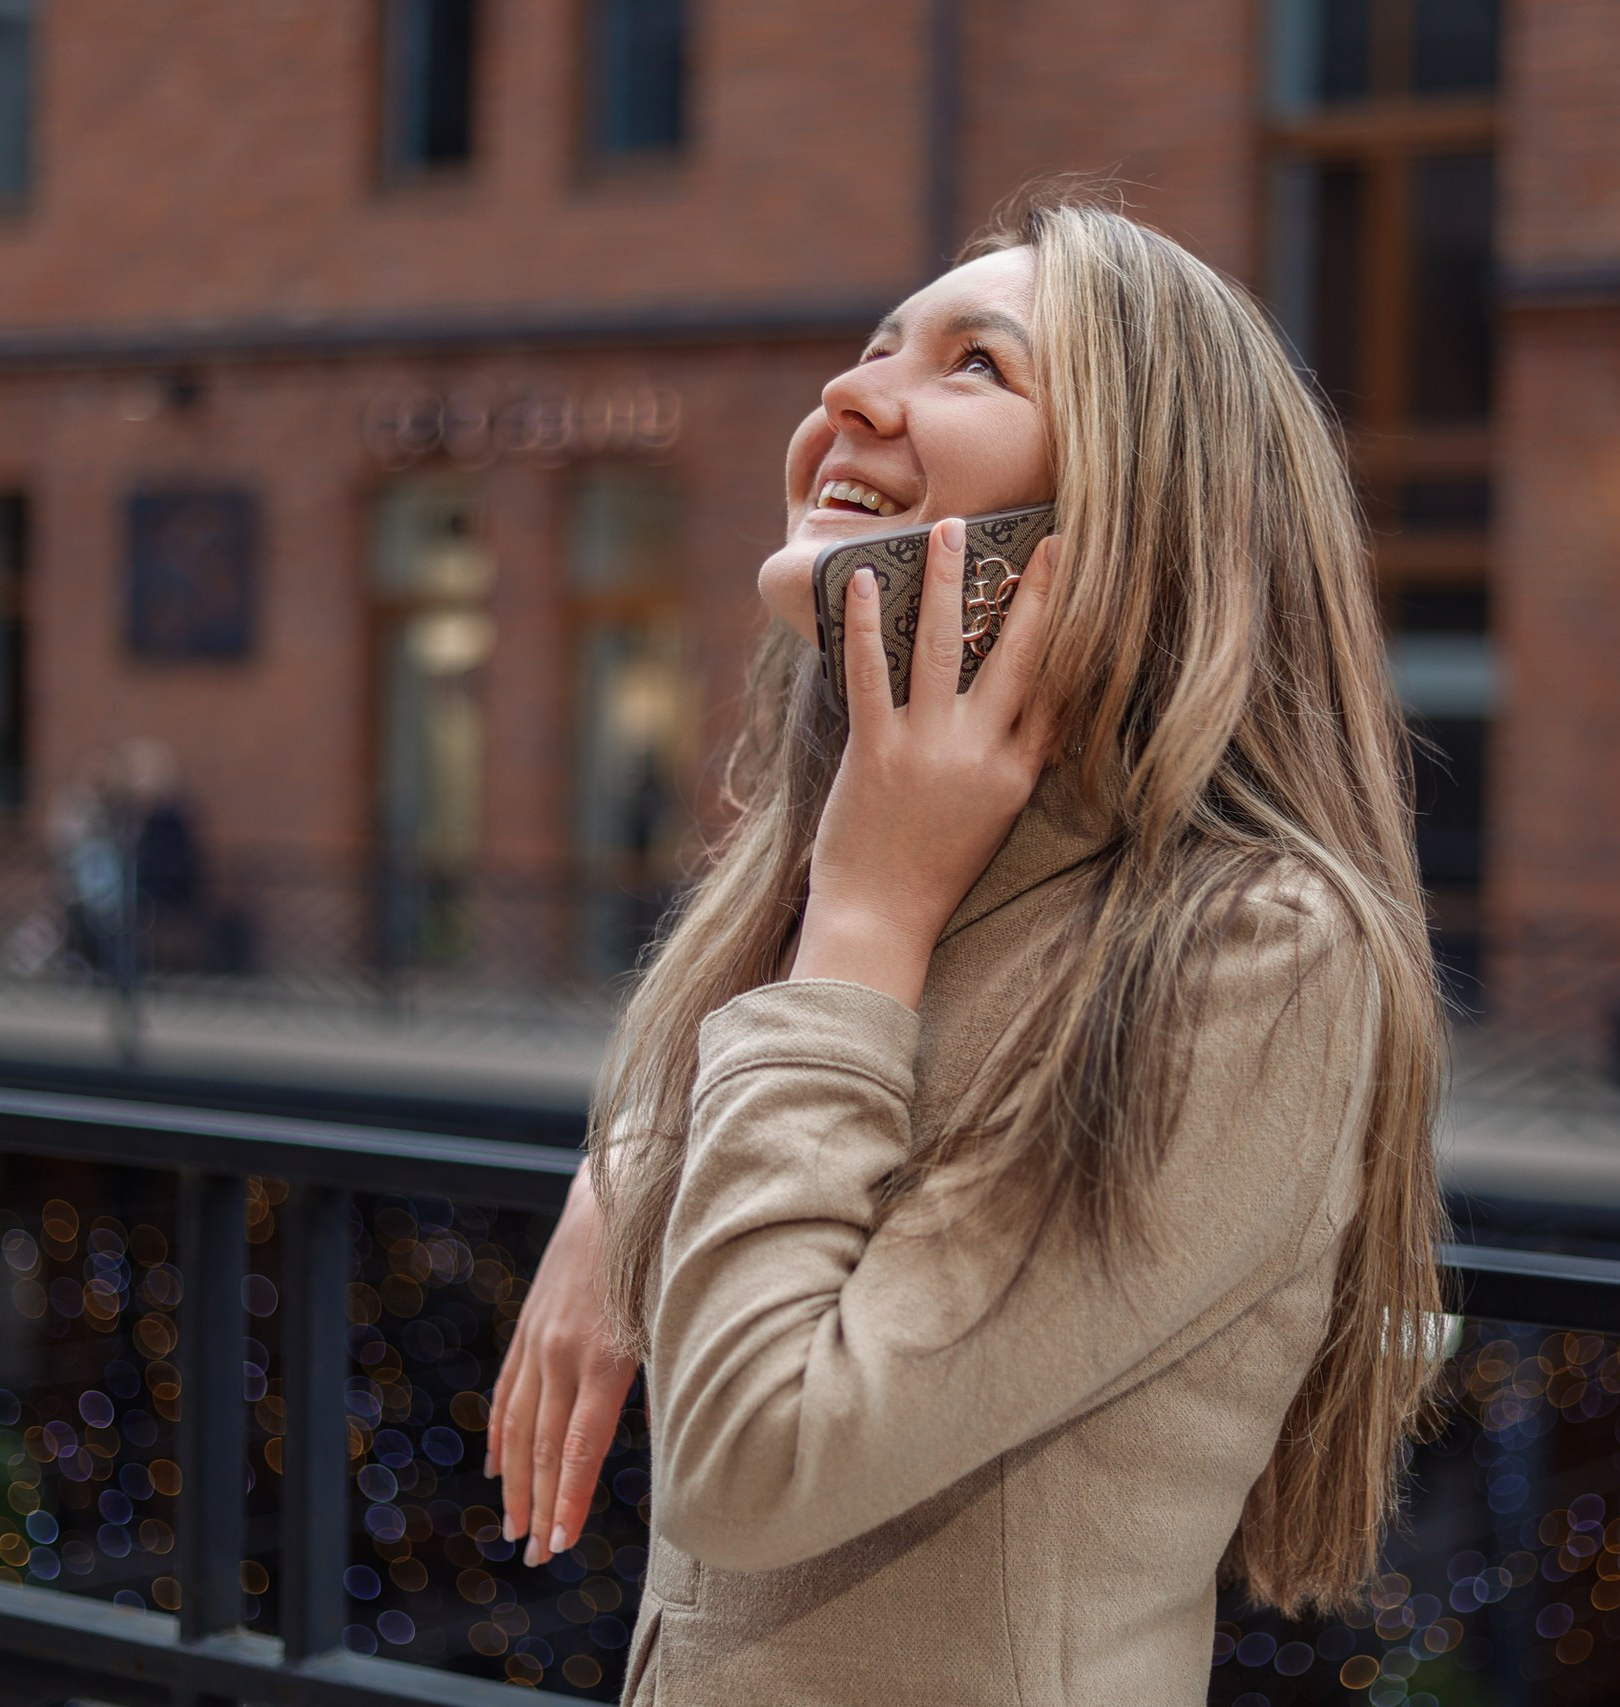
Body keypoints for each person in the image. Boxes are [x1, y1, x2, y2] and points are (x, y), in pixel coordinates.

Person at [488, 187, 1446, 1703]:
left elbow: (754, 1467)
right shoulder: (874, 851)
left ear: (1138, 507)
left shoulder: (1259, 951)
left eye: (973, 365)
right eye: (875, 347)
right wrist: (631, 1166)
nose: (848, 395)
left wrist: (865, 918)